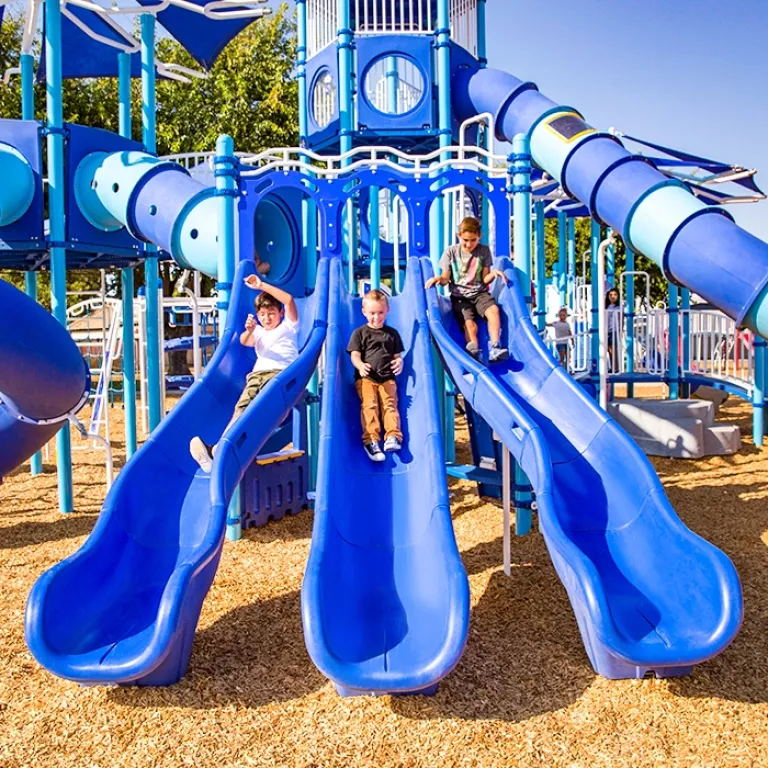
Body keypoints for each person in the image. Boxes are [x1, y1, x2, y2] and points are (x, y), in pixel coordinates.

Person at [189, 273, 299, 472]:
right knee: (241, 410)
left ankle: (220, 450)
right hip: (257, 377)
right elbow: (244, 341)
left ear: (281, 312)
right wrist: (249, 330)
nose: (267, 318)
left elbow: (289, 300)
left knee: (261, 410)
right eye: (263, 315)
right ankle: (217, 450)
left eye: (271, 313)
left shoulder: (289, 327)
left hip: (281, 376)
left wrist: (261, 285)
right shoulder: (258, 331)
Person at [424, 216, 509, 363]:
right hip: (460, 296)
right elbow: (445, 278)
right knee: (469, 323)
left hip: (480, 293)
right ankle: (473, 351)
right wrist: (439, 279)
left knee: (493, 310)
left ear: (479, 237)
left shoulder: (483, 251)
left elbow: (484, 278)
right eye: (465, 240)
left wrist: (494, 274)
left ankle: (495, 346)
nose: (469, 244)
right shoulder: (451, 252)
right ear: (459, 236)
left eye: (473, 240)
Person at [347, 289, 404, 463]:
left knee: (390, 405)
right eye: (372, 313)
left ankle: (393, 436)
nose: (376, 317)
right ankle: (371, 440)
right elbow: (354, 355)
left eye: (380, 312)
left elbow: (396, 356)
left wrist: (399, 362)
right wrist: (360, 365)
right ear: (364, 312)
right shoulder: (360, 333)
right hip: (367, 378)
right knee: (370, 406)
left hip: (387, 377)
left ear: (387, 310)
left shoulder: (392, 334)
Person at [605, 287, 622, 372]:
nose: (612, 296)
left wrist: (621, 329)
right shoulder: (606, 306)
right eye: (610, 295)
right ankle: (612, 366)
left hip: (615, 329)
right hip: (607, 330)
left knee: (614, 349)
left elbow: (622, 318)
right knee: (609, 350)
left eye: (615, 295)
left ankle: (616, 367)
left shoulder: (619, 307)